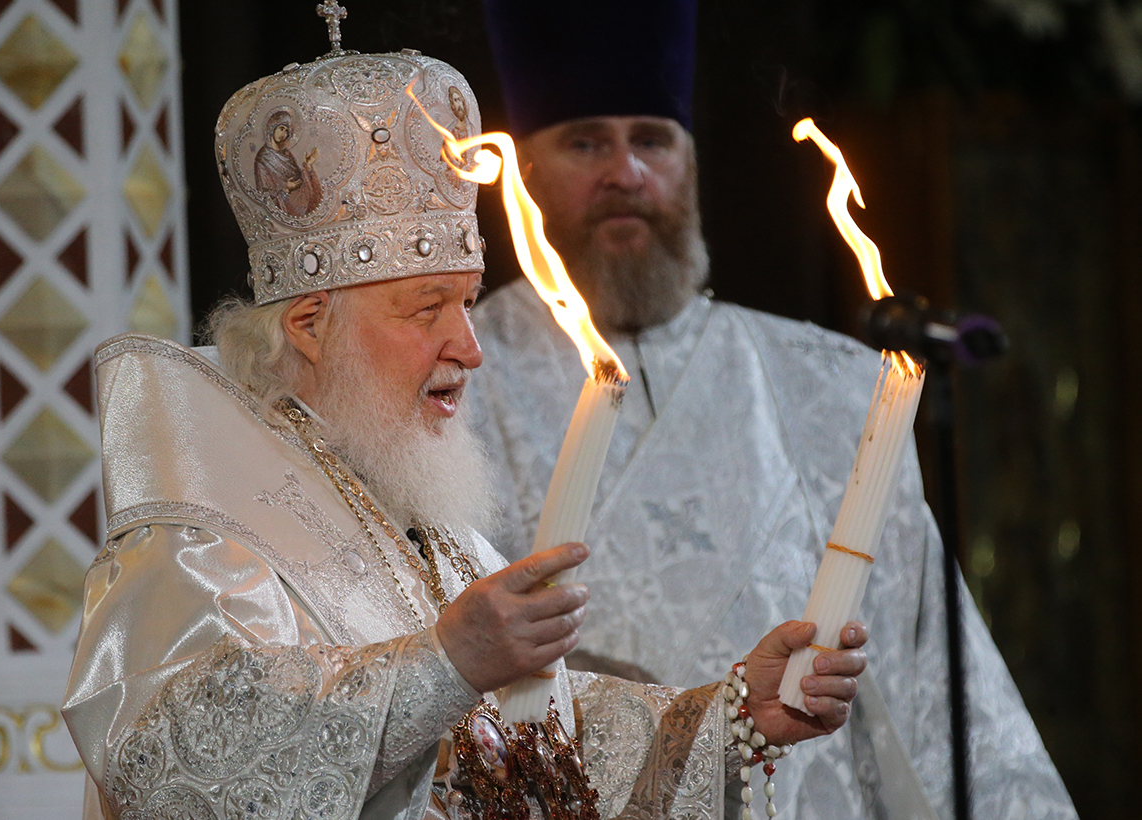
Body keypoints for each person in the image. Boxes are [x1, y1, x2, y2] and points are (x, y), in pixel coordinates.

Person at [61, 32, 868, 820]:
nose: (470, 348)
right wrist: (443, 664)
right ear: (309, 326)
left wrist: (729, 717)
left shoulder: (436, 535)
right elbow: (171, 762)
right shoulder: (204, 535)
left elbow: (530, 748)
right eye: (426, 309)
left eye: (469, 302)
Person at [469, 2, 1077, 819]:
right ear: (525, 170)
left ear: (690, 164)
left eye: (652, 140)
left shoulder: (831, 382)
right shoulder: (455, 379)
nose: (626, 173)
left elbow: (929, 666)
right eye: (585, 143)